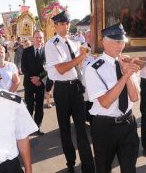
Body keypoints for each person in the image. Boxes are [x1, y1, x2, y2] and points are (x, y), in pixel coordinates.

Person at [84, 23, 141, 173]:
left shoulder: (126, 63)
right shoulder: (93, 68)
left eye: (122, 42)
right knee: (103, 168)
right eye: (116, 41)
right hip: (105, 127)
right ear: (104, 41)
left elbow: (134, 97)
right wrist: (125, 75)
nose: (120, 46)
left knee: (129, 169)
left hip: (128, 124)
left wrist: (125, 71)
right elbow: (105, 102)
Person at [44, 11, 95, 173]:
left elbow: (78, 68)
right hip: (62, 89)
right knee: (65, 128)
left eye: (67, 23)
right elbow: (61, 69)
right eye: (62, 24)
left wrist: (84, 57)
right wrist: (80, 58)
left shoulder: (73, 43)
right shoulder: (51, 44)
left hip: (76, 87)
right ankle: (71, 162)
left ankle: (88, 165)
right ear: (56, 25)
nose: (66, 26)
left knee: (81, 128)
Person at [21, 30, 46, 135]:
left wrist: (39, 78)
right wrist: (33, 78)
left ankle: (37, 127)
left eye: (41, 37)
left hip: (41, 83)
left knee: (40, 106)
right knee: (29, 105)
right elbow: (23, 68)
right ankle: (28, 128)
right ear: (33, 38)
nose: (39, 39)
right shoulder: (27, 51)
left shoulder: (47, 51)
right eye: (37, 37)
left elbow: (48, 68)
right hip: (29, 82)